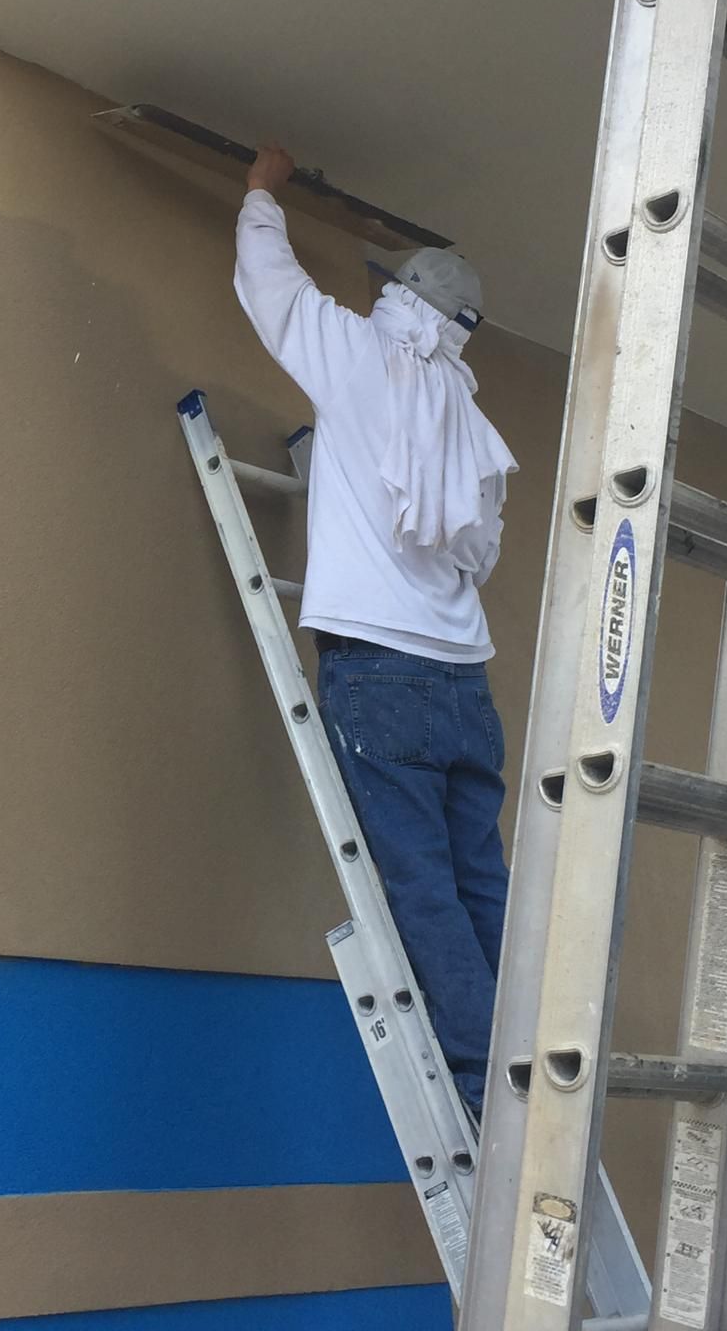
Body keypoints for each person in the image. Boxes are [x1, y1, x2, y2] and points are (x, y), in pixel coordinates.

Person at [234, 143, 518, 1118]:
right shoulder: (466, 417)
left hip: (384, 675)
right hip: (465, 686)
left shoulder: (361, 356)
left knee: (423, 891)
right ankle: (526, 1069)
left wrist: (261, 193)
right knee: (481, 882)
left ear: (402, 297)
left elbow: (272, 288)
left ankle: (486, 1088)